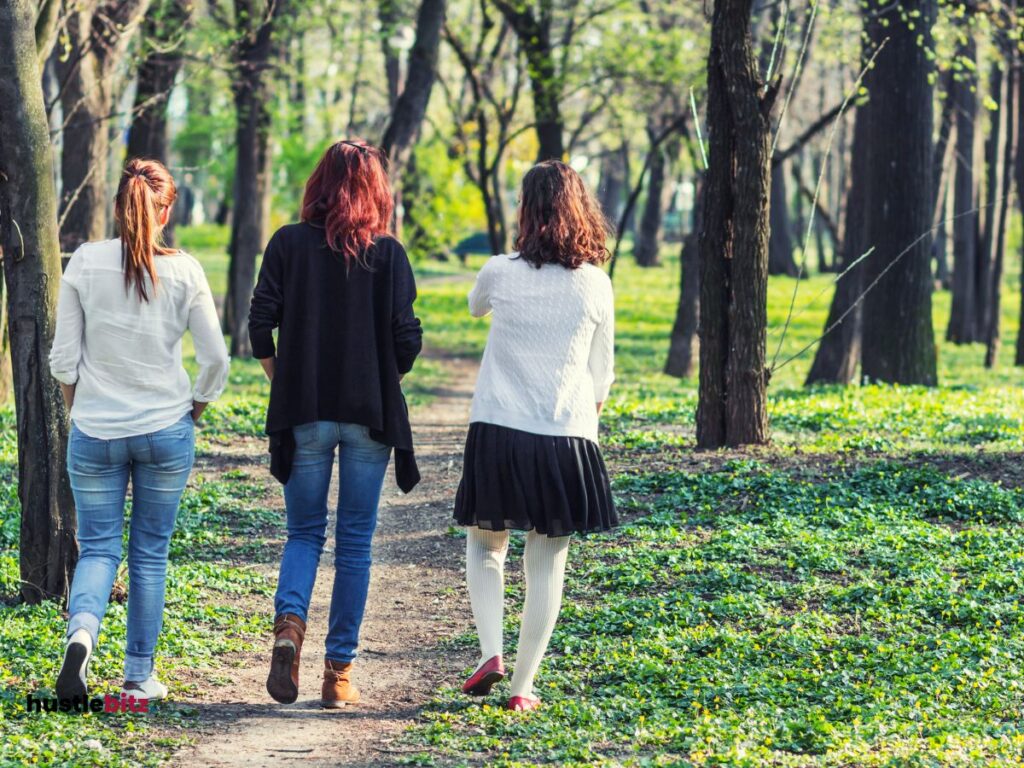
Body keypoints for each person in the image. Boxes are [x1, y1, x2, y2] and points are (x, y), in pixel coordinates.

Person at [248, 139, 423, 709]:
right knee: (354, 542)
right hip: (368, 417)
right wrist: (380, 378)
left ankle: (290, 628)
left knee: (303, 533)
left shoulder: (286, 244)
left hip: (305, 412)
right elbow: (407, 339)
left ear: (318, 185)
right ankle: (337, 673)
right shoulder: (390, 255)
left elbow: (258, 325)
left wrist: (286, 378)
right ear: (377, 192)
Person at [49, 158, 230, 702]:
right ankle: (137, 677)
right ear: (166, 210)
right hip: (165, 430)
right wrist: (192, 411)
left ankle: (81, 635)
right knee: (150, 553)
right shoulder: (186, 271)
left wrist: (82, 410)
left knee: (99, 549)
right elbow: (216, 359)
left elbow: (63, 362)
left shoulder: (84, 261)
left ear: (119, 204)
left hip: (95, 431)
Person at [454, 160, 618, 712]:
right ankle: (522, 688)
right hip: (565, 435)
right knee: (546, 561)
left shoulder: (500, 271)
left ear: (527, 210)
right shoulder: (596, 283)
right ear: (581, 210)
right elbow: (603, 372)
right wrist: (581, 417)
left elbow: (475, 307)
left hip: (498, 427)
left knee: (485, 544)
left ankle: (490, 652)